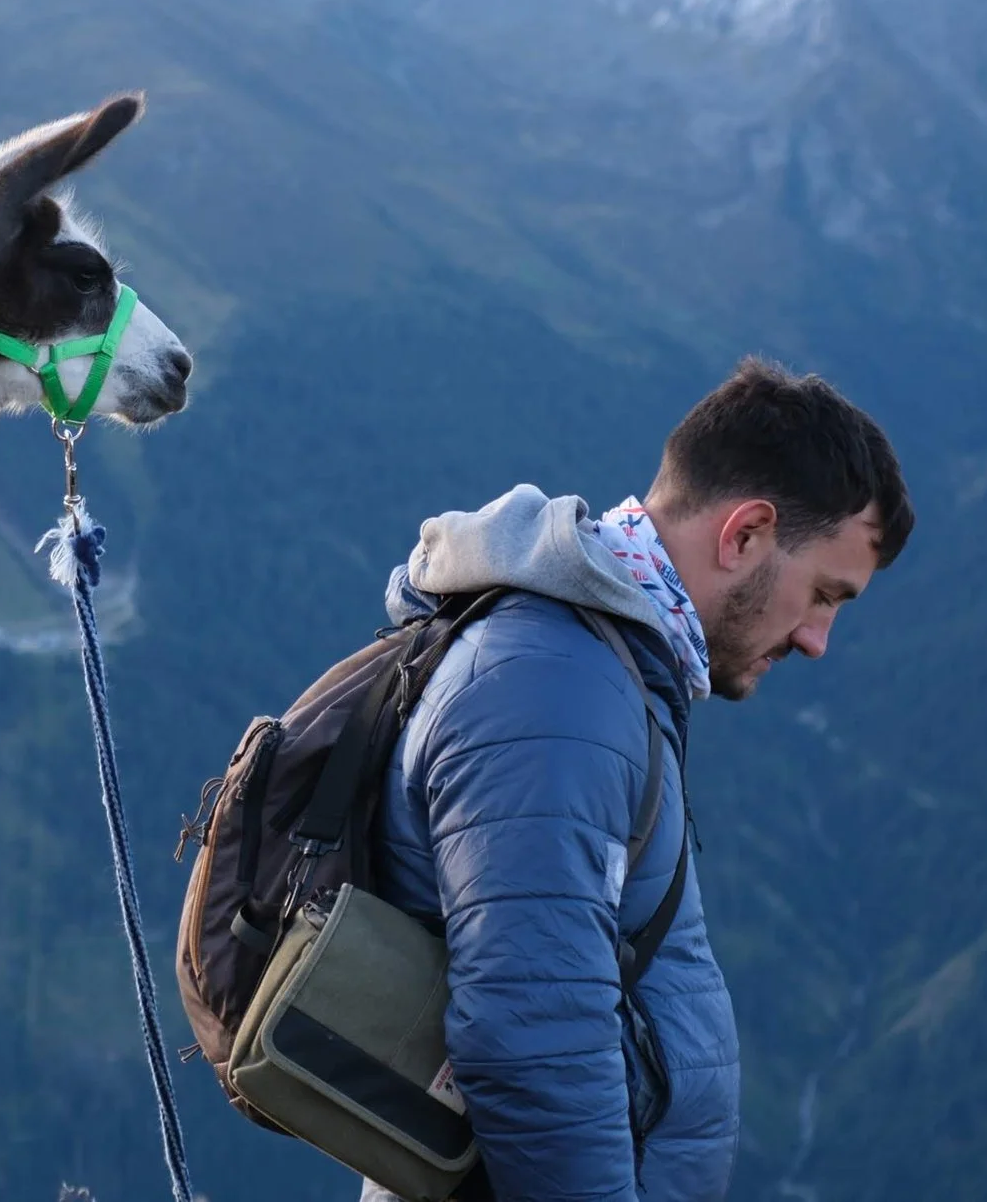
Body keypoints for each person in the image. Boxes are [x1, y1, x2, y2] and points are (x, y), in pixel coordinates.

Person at [363, 358, 914, 1201]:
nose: (817, 639)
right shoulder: (555, 689)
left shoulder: (597, 667)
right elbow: (535, 1041)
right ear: (745, 535)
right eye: (823, 594)